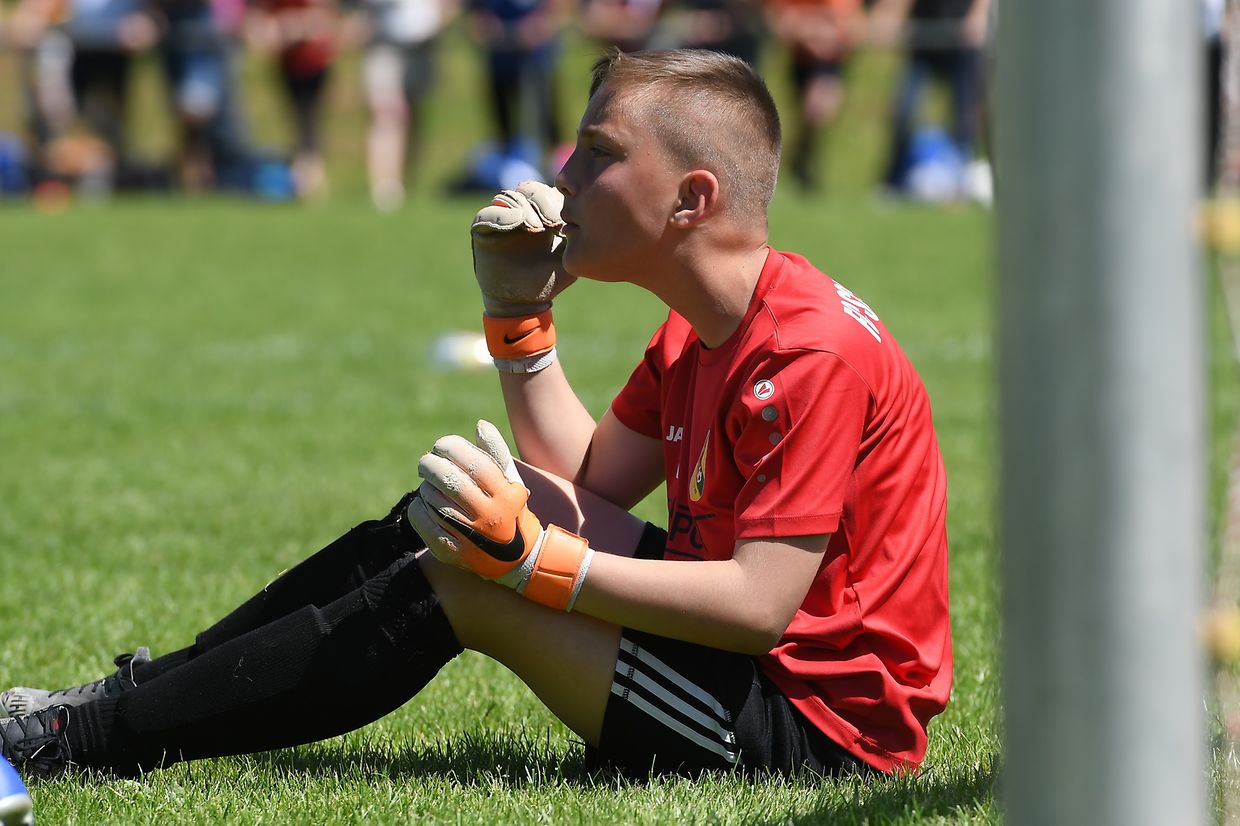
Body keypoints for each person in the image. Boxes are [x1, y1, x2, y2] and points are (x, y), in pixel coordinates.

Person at [0, 49, 952, 780]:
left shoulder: (802, 350)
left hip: (815, 729)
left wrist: (541, 569)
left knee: (465, 586)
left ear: (691, 201)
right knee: (466, 506)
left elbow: (755, 609)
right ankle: (127, 697)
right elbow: (582, 482)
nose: (564, 172)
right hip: (746, 663)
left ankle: (81, 738)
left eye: (601, 154)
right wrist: (518, 322)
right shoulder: (708, 325)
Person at [871, 0, 990, 196]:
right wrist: (888, 18)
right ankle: (891, 181)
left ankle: (964, 178)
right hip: (923, 44)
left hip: (963, 46)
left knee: (965, 118)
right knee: (904, 111)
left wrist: (978, 17)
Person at [764, 0, 865, 190]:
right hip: (801, 56)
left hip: (831, 59)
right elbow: (782, 23)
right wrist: (809, 32)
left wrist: (815, 30)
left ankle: (802, 159)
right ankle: (800, 160)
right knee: (807, 114)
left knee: (820, 109)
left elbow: (851, 25)